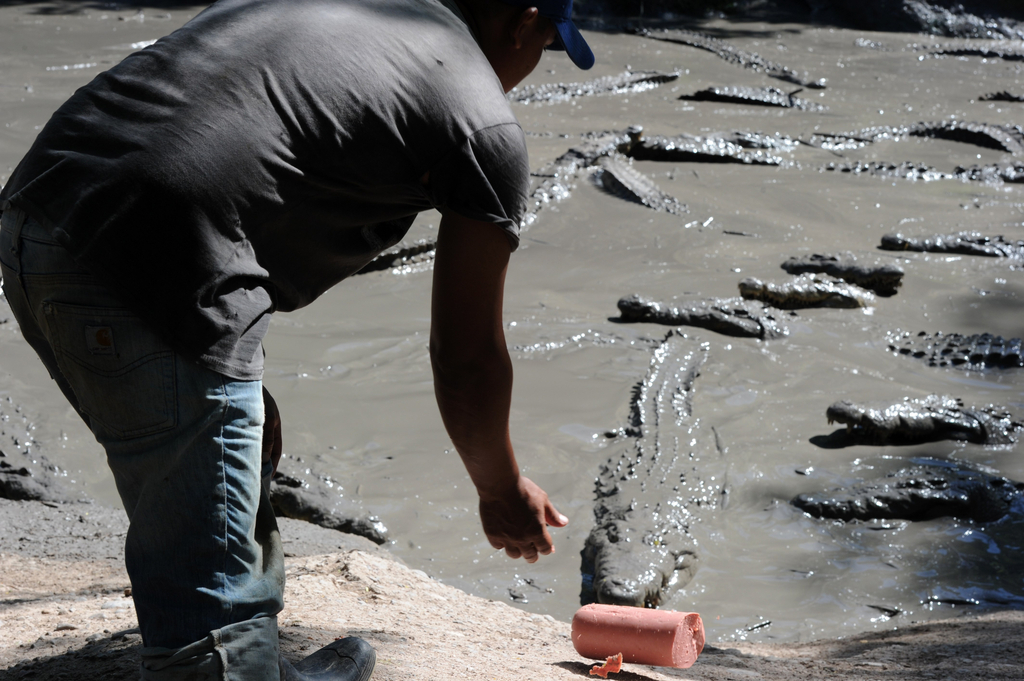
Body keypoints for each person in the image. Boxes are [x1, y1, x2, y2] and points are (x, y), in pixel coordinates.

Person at [0, 0, 595, 678]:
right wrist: (501, 487)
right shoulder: (481, 118)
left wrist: (232, 379)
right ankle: (227, 659)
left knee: (225, 453)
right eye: (547, 44)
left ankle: (244, 654)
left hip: (34, 224)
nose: (530, 68)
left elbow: (208, 154)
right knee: (214, 630)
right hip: (149, 254)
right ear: (522, 19)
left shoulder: (348, 13)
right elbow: (466, 358)